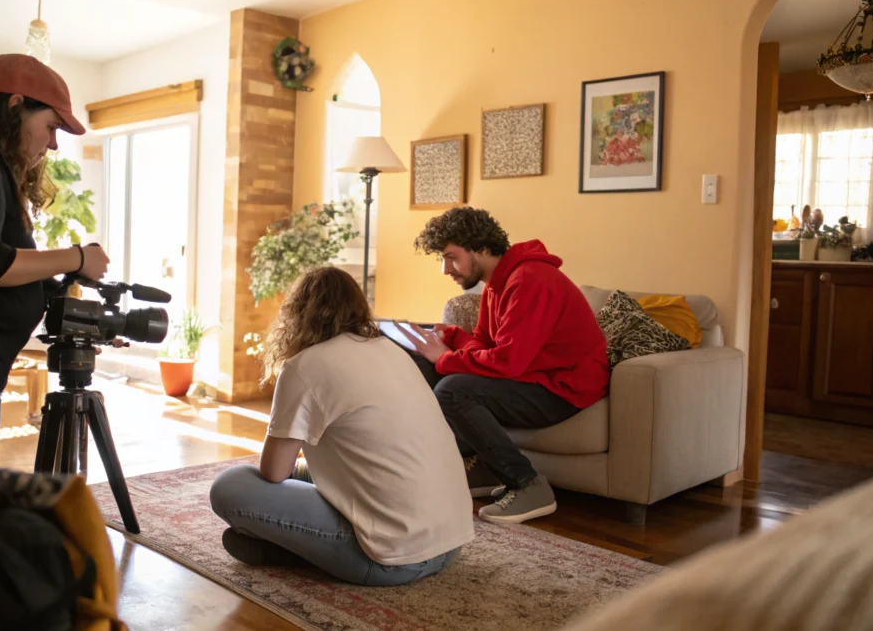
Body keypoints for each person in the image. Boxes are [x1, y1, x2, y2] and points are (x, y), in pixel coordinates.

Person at [209, 266, 472, 586]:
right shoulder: (392, 351)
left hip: (395, 560)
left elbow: (274, 472)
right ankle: (295, 549)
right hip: (451, 542)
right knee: (305, 472)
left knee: (232, 485)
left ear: (295, 314)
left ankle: (299, 553)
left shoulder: (304, 365)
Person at [396, 207, 609, 525]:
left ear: (480, 247)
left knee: (454, 389)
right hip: (531, 378)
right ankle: (479, 464)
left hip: (563, 389)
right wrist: (450, 337)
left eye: (451, 257)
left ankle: (529, 485)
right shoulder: (497, 285)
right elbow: (485, 347)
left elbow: (506, 362)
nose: (446, 269)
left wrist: (444, 358)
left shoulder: (530, 280)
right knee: (423, 364)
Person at [0, 54, 109, 479]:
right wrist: (76, 256)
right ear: (14, 106)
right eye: (50, 127)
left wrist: (52, 281)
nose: (52, 144)